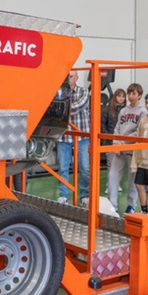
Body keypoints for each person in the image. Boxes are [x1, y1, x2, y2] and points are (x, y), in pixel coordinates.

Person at [106, 84, 146, 214]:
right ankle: (112, 205)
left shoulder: (143, 112)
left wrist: (122, 143)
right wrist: (116, 142)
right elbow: (117, 128)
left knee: (132, 179)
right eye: (129, 93)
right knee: (112, 175)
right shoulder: (123, 111)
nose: (130, 96)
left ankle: (131, 205)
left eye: (133, 94)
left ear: (139, 95)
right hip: (119, 149)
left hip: (132, 150)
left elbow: (138, 131)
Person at [57, 70, 90, 206]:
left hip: (82, 136)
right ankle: (63, 195)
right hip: (63, 136)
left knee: (84, 168)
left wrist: (64, 109)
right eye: (66, 76)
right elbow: (56, 107)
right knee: (62, 168)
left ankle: (84, 195)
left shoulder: (83, 92)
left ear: (76, 78)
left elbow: (79, 105)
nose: (68, 79)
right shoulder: (59, 91)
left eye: (70, 76)